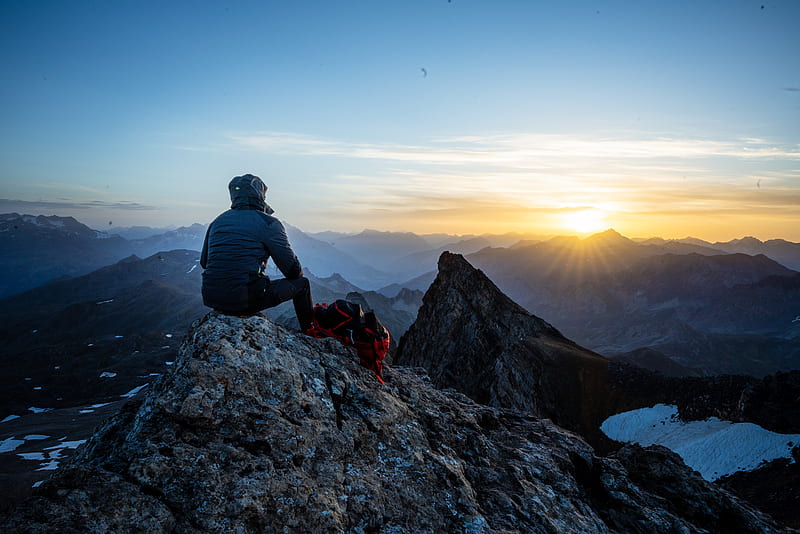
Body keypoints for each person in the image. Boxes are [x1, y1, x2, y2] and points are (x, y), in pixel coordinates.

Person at [200, 173, 314, 331]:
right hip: (244, 300)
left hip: (211, 297)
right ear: (260, 194)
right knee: (303, 285)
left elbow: (204, 263)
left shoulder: (217, 221)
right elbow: (293, 272)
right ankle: (310, 332)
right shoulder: (268, 223)